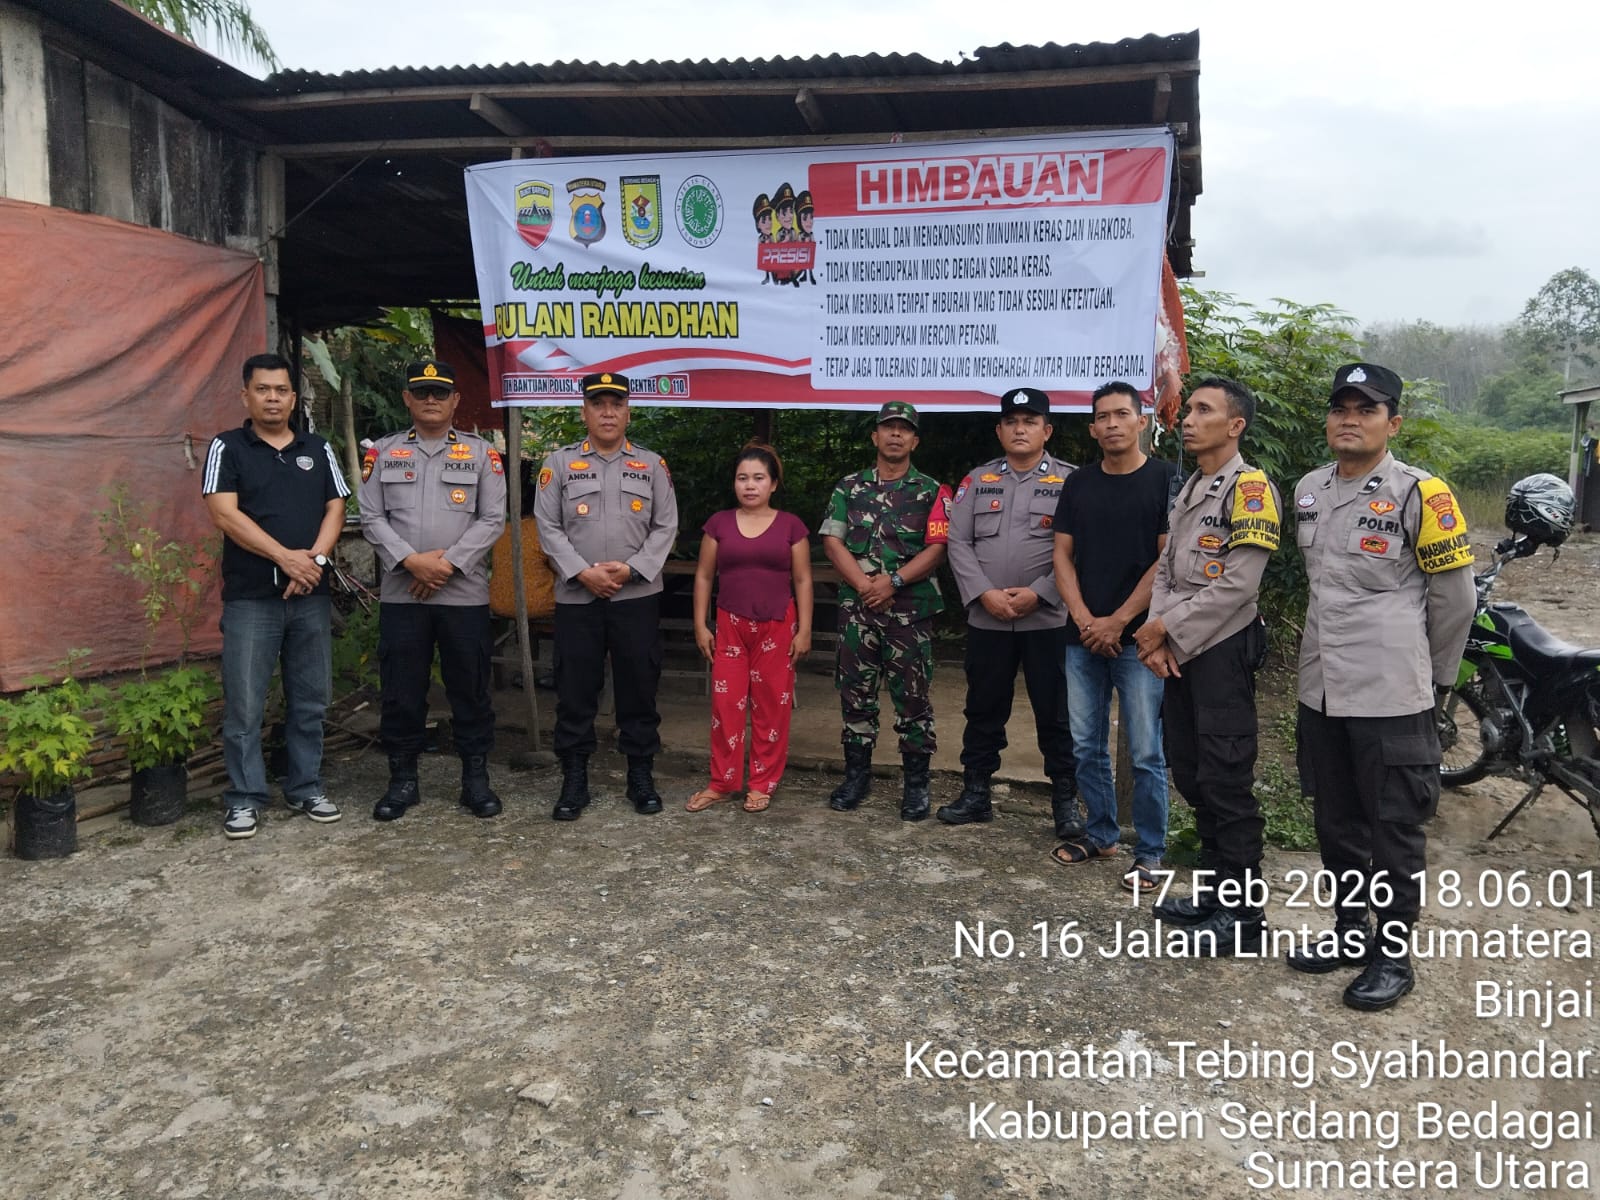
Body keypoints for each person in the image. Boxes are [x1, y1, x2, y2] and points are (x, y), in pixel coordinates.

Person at [1286, 362, 1475, 1011]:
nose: (1350, 419)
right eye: (1340, 408)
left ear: (1392, 423)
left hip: (1392, 692)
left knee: (1394, 828)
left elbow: (1454, 603)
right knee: (1336, 821)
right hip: (1322, 688)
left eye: (1366, 409)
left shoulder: (1422, 494)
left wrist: (1434, 681)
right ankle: (1349, 930)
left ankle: (1392, 955)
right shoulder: (1309, 490)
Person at [1135, 377, 1279, 951]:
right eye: (1189, 410)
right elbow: (1168, 571)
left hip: (1221, 649)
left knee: (1226, 779)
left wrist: (1165, 629)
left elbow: (1239, 585)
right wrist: (1158, 637)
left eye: (1203, 410)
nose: (1188, 420)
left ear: (1235, 425)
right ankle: (1218, 893)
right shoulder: (1191, 486)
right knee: (1193, 773)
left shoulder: (1250, 489)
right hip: (1179, 651)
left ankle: (1244, 918)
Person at [202, 352, 350, 840]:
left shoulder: (317, 448)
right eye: (262, 389)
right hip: (251, 600)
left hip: (310, 596)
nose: (272, 398)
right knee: (245, 705)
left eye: (281, 390)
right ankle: (244, 798)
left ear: (292, 397)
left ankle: (305, 787)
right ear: (245, 395)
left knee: (311, 699)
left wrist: (315, 563)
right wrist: (286, 558)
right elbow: (224, 514)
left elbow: (336, 507)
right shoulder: (228, 447)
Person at [358, 359, 508, 822]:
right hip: (403, 594)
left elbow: (492, 519)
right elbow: (371, 517)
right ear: (407, 398)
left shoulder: (482, 454)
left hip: (462, 595)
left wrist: (444, 566)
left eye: (440, 392)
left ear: (455, 400)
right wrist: (412, 562)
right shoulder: (382, 453)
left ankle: (475, 779)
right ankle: (403, 780)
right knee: (401, 691)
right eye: (421, 392)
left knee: (470, 688)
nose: (430, 400)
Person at [533, 371, 680, 820]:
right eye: (599, 404)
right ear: (585, 412)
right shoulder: (558, 464)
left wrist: (632, 569)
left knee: (639, 687)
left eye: (616, 404)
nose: (608, 412)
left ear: (628, 412)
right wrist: (582, 572)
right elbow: (547, 526)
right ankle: (574, 779)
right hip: (578, 598)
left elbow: (666, 525)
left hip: (636, 596)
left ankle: (641, 775)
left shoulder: (652, 465)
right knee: (575, 690)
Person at [1050, 381, 1177, 891]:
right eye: (1102, 417)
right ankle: (1101, 834)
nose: (1112, 424)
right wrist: (1086, 620)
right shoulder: (1078, 484)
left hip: (1140, 638)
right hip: (1081, 637)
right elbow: (1061, 556)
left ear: (1142, 421)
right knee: (1085, 744)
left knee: (1145, 750)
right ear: (1092, 428)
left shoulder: (1166, 480)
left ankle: (1150, 852)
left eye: (1122, 414)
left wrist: (1118, 621)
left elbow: (1166, 560)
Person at [940, 387, 1078, 834]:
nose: (1021, 429)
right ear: (999, 430)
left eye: (1030, 422)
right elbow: (958, 542)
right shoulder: (976, 480)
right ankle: (976, 793)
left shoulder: (1071, 481)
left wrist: (1041, 592)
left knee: (1056, 713)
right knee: (983, 708)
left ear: (1047, 431)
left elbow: (1079, 547)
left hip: (1048, 618)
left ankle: (1065, 803)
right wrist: (984, 593)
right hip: (988, 618)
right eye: (1012, 422)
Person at [819, 400, 952, 819]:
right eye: (889, 427)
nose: (896, 434)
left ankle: (916, 785)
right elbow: (832, 541)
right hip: (858, 611)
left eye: (904, 428)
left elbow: (938, 548)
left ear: (914, 440)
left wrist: (892, 582)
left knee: (913, 699)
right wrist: (866, 587)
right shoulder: (848, 487)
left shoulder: (932, 490)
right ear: (875, 436)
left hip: (910, 613)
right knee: (855, 695)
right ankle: (856, 777)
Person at [687, 443, 813, 813]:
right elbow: (704, 576)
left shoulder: (791, 526)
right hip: (730, 625)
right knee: (726, 706)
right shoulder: (719, 524)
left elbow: (803, 580)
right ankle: (722, 782)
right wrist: (700, 625)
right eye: (742, 478)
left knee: (772, 707)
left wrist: (805, 630)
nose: (750, 485)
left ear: (773, 484)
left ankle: (762, 783)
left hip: (777, 626)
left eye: (758, 478)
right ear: (734, 483)